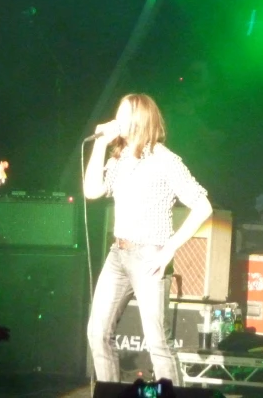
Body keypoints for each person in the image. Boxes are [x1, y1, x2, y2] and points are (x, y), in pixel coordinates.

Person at [84, 93, 213, 384]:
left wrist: (169, 249)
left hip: (149, 256)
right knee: (97, 332)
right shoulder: (118, 158)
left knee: (157, 342)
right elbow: (91, 191)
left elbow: (203, 205)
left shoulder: (165, 160)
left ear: (141, 119)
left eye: (124, 113)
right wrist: (101, 145)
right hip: (118, 253)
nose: (117, 118)